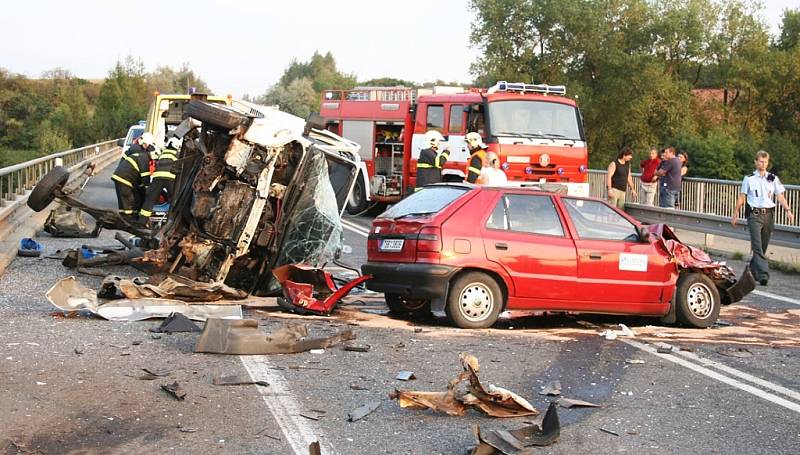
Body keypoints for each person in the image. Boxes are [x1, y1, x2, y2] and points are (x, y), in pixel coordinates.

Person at [731, 151, 794, 285]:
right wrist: (735, 213)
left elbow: (780, 196)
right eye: (761, 161)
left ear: (768, 162)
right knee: (757, 246)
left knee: (763, 246)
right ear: (756, 162)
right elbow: (742, 197)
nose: (763, 164)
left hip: (769, 215)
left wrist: (788, 210)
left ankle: (752, 272)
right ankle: (763, 275)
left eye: (765, 162)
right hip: (754, 215)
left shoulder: (772, 178)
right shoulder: (749, 179)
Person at [111, 139, 155, 222]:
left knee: (129, 198)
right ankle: (128, 220)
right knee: (128, 198)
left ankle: (126, 218)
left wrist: (142, 188)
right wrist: (148, 189)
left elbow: (139, 178)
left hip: (123, 178)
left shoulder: (142, 156)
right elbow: (145, 177)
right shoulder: (144, 158)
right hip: (124, 179)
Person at [139, 136, 180, 221]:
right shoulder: (178, 154)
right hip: (171, 178)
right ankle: (173, 220)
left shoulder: (163, 153)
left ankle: (142, 221)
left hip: (157, 177)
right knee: (175, 199)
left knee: (150, 199)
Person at [606, 146, 637, 210]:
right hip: (614, 190)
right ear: (624, 155)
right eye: (629, 155)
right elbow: (609, 177)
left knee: (621, 211)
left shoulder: (628, 164)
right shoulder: (614, 164)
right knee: (612, 210)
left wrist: (633, 189)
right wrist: (609, 189)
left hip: (623, 191)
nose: (631, 157)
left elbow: (629, 177)